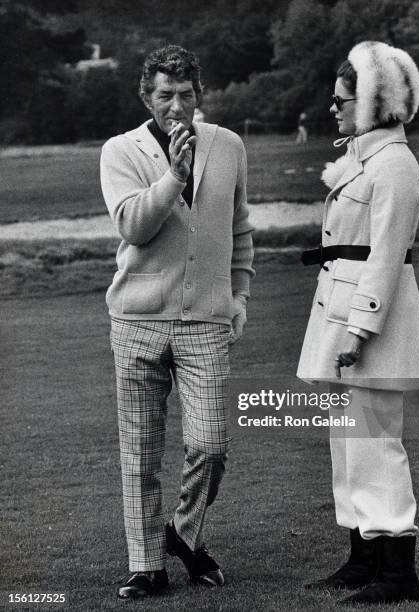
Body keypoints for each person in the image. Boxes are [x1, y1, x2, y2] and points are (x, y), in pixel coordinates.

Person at [100, 44, 254, 600]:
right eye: (165, 95)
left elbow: (239, 228)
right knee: (140, 451)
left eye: (186, 95)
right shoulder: (120, 151)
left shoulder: (229, 146)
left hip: (207, 321)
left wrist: (239, 294)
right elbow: (135, 227)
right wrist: (174, 177)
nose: (176, 106)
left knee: (210, 444)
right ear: (147, 96)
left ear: (199, 96)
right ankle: (146, 567)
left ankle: (183, 535)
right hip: (137, 320)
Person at [297, 41, 419, 604]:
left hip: (368, 323)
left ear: (377, 103)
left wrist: (359, 328)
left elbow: (386, 256)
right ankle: (362, 557)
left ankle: (399, 572)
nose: (334, 108)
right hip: (339, 313)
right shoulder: (364, 159)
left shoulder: (394, 165)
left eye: (344, 99)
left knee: (376, 443)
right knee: (347, 444)